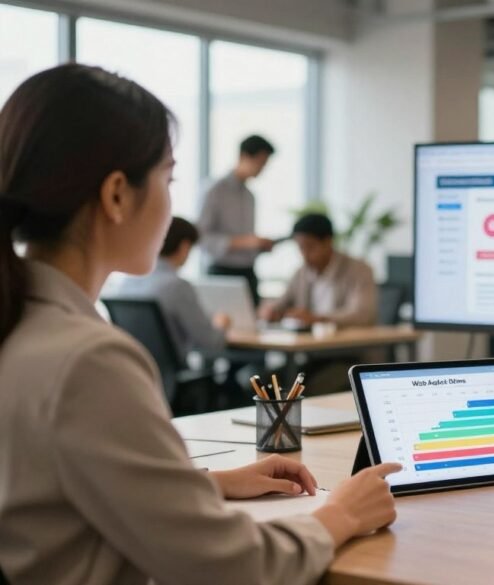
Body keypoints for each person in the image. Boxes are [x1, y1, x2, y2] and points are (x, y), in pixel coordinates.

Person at [0, 64, 400, 584]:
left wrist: (205, 485)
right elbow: (231, 567)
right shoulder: (86, 360)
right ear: (117, 195)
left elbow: (55, 496)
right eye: (169, 179)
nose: (173, 204)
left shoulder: (23, 327)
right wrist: (340, 514)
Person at [109, 216, 230, 359]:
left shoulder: (128, 281)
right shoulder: (178, 287)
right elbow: (211, 342)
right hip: (174, 378)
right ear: (185, 246)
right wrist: (221, 325)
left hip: (136, 370)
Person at [197, 134, 278, 305]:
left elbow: (247, 241)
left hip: (248, 273)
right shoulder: (214, 190)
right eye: (260, 162)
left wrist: (258, 245)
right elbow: (202, 238)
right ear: (243, 157)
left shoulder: (250, 197)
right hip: (221, 273)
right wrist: (245, 242)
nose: (262, 169)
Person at [259, 213, 377, 329]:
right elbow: (281, 303)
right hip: (309, 345)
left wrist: (317, 318)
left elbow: (362, 315)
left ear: (328, 242)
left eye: (310, 247)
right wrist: (270, 310)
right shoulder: (302, 272)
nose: (304, 254)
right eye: (301, 248)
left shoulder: (359, 270)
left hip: (348, 345)